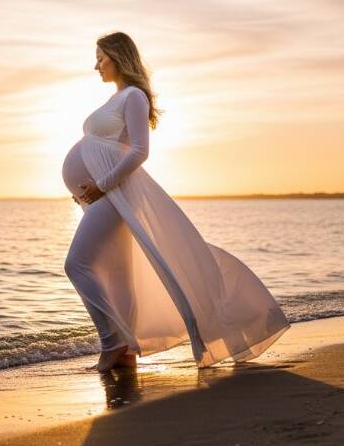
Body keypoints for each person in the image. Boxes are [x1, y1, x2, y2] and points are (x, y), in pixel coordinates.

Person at [62, 31, 290, 372]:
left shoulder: (134, 97)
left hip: (114, 192)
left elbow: (140, 151)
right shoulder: (117, 98)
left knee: (77, 264)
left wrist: (102, 184)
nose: (96, 65)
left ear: (118, 56)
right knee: (118, 273)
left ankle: (112, 343)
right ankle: (126, 350)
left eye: (101, 58)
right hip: (101, 196)